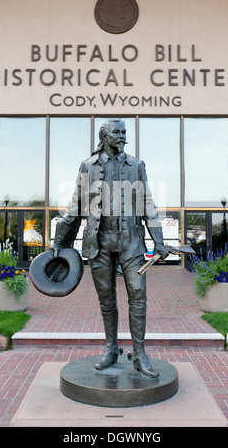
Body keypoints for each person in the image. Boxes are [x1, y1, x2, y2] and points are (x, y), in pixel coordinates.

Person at [51, 119, 169, 377]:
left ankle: (139, 354)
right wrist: (59, 241)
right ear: (104, 135)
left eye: (125, 132)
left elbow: (147, 204)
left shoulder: (137, 165)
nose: (123, 136)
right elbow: (75, 206)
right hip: (99, 241)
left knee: (138, 296)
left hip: (132, 242)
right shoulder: (88, 166)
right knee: (106, 299)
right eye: (117, 132)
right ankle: (111, 348)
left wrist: (158, 240)